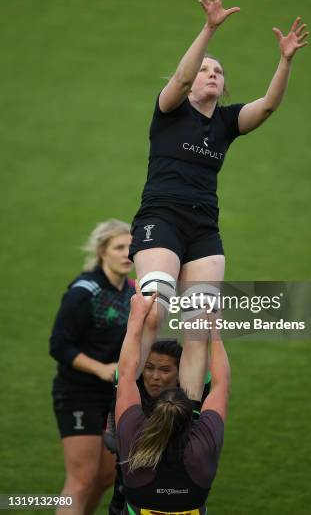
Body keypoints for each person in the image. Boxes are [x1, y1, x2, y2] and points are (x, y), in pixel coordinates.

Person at [129, 0, 309, 396]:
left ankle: (187, 414)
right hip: (162, 219)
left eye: (219, 71)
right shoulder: (170, 110)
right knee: (152, 312)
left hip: (203, 230)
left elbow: (267, 106)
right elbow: (180, 74)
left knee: (200, 327)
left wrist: (285, 61)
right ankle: (124, 404)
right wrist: (209, 29)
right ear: (192, 84)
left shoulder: (225, 123)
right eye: (206, 70)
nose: (212, 74)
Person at [115, 283, 230, 515]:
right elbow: (220, 385)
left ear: (152, 415)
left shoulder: (134, 443)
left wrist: (137, 318)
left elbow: (126, 375)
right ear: (191, 417)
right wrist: (215, 330)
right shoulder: (200, 449)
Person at [49, 219, 134, 515]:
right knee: (81, 480)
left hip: (112, 395)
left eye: (131, 247)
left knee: (106, 477)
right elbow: (59, 346)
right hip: (78, 393)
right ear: (102, 252)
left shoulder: (132, 291)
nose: (127, 254)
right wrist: (100, 369)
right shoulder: (84, 293)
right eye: (119, 247)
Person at [106, 340, 211, 515]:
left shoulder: (189, 403)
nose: (155, 376)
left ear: (180, 373)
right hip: (125, 501)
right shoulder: (131, 398)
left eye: (165, 370)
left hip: (179, 505)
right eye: (149, 367)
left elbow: (198, 351)